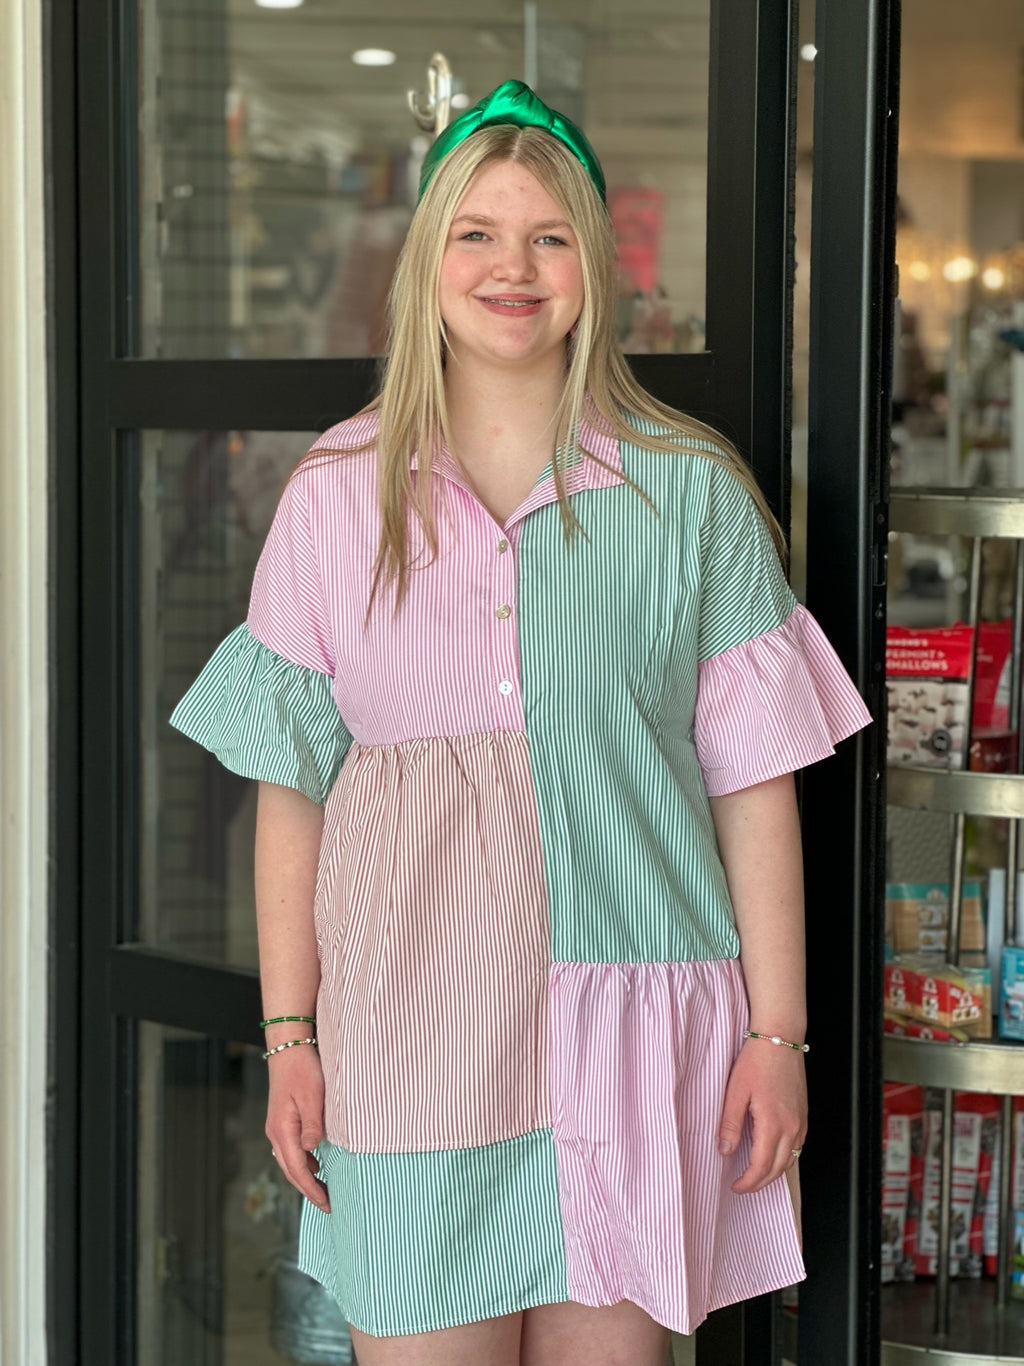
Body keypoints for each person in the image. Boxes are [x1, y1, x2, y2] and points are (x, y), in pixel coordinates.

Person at [171, 80, 872, 1366]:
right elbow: (290, 794)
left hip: (635, 1044)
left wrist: (778, 1036)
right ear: (424, 260)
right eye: (477, 234)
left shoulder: (691, 493)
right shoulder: (334, 494)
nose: (514, 267)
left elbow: (753, 792)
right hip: (411, 1044)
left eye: (549, 236)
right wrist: (289, 1035)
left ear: (594, 263)